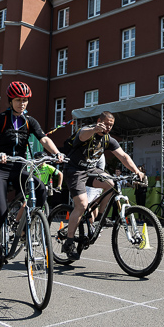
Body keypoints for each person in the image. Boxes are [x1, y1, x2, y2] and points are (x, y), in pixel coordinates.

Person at [0, 81, 64, 277]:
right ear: (10, 100)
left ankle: (24, 228)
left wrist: (57, 153)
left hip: (19, 167)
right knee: (0, 213)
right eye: (18, 100)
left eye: (25, 100)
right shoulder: (1, 119)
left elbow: (44, 138)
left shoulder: (29, 121)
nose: (22, 103)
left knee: (40, 190)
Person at [61, 111, 145, 260]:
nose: (108, 127)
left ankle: (100, 218)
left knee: (111, 183)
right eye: (105, 123)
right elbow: (82, 135)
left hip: (91, 170)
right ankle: (68, 242)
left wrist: (137, 171)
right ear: (99, 120)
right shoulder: (88, 131)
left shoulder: (108, 139)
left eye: (111, 125)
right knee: (81, 205)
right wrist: (94, 129)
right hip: (74, 170)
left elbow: (123, 156)